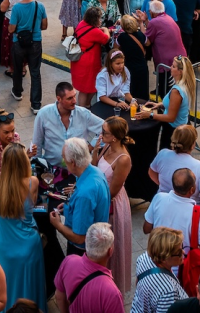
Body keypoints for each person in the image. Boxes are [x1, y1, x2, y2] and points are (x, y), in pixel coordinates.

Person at [0, 143, 46, 311]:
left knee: (7, 284)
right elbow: (36, 202)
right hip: (29, 246)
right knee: (31, 285)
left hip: (6, 246)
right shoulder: (33, 182)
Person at [91, 118, 133, 292]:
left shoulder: (123, 159)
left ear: (115, 137)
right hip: (101, 197)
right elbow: (94, 168)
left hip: (112, 204)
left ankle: (111, 287)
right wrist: (95, 151)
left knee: (111, 245)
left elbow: (112, 192)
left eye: (105, 132)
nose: (102, 134)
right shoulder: (107, 146)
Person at [50, 138, 111, 256]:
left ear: (73, 162)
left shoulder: (84, 194)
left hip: (83, 252)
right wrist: (70, 208)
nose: (63, 161)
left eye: (64, 159)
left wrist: (57, 225)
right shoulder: (94, 171)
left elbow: (79, 238)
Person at [53, 223, 123, 313]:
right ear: (110, 251)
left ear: (86, 241)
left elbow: (59, 296)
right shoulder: (112, 293)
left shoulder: (68, 261)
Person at [149, 124, 200, 204]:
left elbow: (151, 172)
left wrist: (165, 186)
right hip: (189, 208)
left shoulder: (162, 154)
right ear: (193, 145)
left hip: (163, 203)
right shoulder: (199, 166)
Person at [130, 226, 189, 313]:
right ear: (164, 258)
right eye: (178, 253)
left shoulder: (144, 258)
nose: (183, 253)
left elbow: (138, 283)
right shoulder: (168, 291)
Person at [9, 0, 47, 112]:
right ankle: (36, 104)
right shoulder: (40, 6)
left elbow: (12, 28)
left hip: (19, 42)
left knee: (18, 68)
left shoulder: (16, 8)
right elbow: (44, 26)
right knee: (35, 72)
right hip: (35, 41)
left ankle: (17, 92)